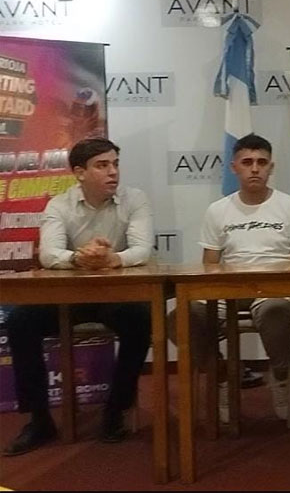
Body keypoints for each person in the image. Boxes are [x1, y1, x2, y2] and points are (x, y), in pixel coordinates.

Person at [3, 138, 153, 455]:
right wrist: (78, 258)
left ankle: (115, 411)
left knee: (141, 318)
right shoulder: (59, 205)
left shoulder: (135, 199)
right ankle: (39, 419)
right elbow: (49, 254)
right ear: (79, 172)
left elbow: (142, 249)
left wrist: (113, 259)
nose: (113, 172)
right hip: (69, 297)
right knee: (20, 321)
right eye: (102, 165)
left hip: (115, 296)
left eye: (115, 164)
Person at [167, 134, 290, 422]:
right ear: (234, 167)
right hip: (227, 291)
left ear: (271, 167)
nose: (255, 168)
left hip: (274, 290)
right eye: (247, 162)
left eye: (262, 162)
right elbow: (210, 264)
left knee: (276, 309)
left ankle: (282, 375)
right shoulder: (218, 210)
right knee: (180, 318)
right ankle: (222, 373)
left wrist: (280, 281)